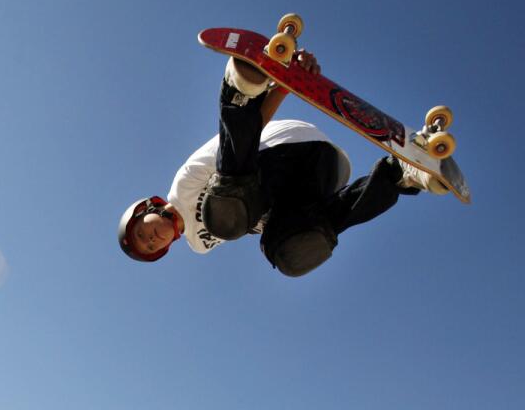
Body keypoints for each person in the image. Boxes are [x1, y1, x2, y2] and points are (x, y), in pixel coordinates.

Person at [118, 51, 448, 277]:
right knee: (292, 251)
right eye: (150, 244)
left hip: (284, 151)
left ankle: (239, 94)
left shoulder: (184, 183)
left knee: (225, 211)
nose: (151, 237)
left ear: (149, 207)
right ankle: (400, 175)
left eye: (143, 229)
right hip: (322, 174)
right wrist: (294, 78)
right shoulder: (199, 245)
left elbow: (240, 144)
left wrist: (279, 86)